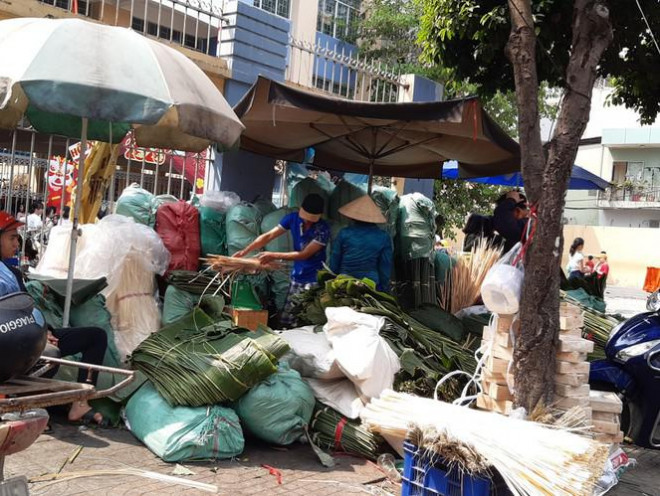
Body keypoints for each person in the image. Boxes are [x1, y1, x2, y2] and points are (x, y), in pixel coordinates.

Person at [0, 211, 108, 425]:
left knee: (96, 336)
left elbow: (25, 307)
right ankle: (19, 406)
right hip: (8, 341)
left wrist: (45, 331)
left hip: (31, 333)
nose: (17, 242)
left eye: (17, 237)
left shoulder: (13, 272)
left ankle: (80, 404)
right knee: (50, 354)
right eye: (12, 237)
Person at [234, 194, 330, 327]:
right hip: (297, 278)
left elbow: (305, 254)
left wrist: (273, 255)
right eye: (305, 219)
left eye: (311, 220)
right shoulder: (293, 219)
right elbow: (268, 236)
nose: (307, 223)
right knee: (288, 320)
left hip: (315, 280)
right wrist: (245, 251)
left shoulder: (323, 229)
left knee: (308, 321)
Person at [329, 196, 392, 292]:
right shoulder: (383, 237)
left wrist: (332, 279)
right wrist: (383, 287)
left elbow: (334, 260)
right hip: (370, 283)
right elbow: (385, 266)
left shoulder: (344, 233)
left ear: (354, 217)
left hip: (344, 281)